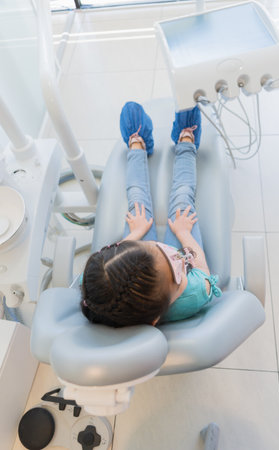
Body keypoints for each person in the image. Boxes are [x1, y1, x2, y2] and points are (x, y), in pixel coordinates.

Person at [81, 102, 222, 327]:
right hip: (178, 255)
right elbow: (203, 270)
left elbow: (103, 266)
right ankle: (186, 140)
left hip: (142, 268)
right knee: (183, 202)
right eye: (177, 276)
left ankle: (137, 145)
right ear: (156, 318)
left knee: (137, 204)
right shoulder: (193, 294)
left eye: (155, 247)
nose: (165, 248)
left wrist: (134, 235)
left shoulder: (97, 291)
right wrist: (184, 234)